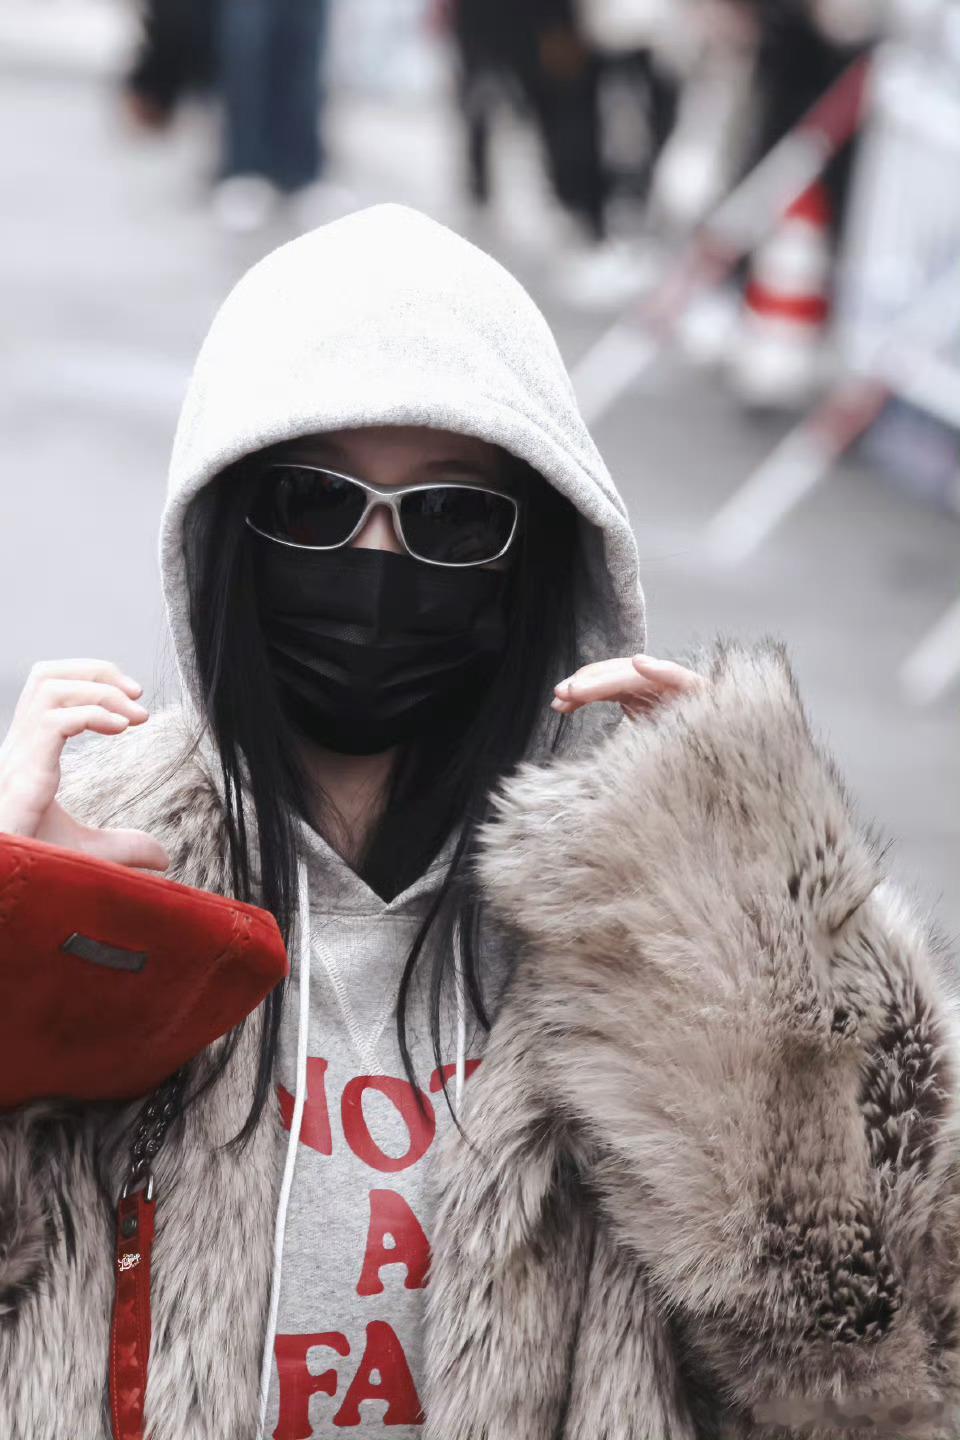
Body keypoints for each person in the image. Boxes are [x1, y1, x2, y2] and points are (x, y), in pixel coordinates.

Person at [0, 205, 957, 1439]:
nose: (375, 558)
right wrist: (19, 934)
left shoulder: (636, 915)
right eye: (312, 499)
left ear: (535, 561)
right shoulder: (104, 857)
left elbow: (877, 1373)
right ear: (226, 527)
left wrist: (762, 926)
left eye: (451, 516)